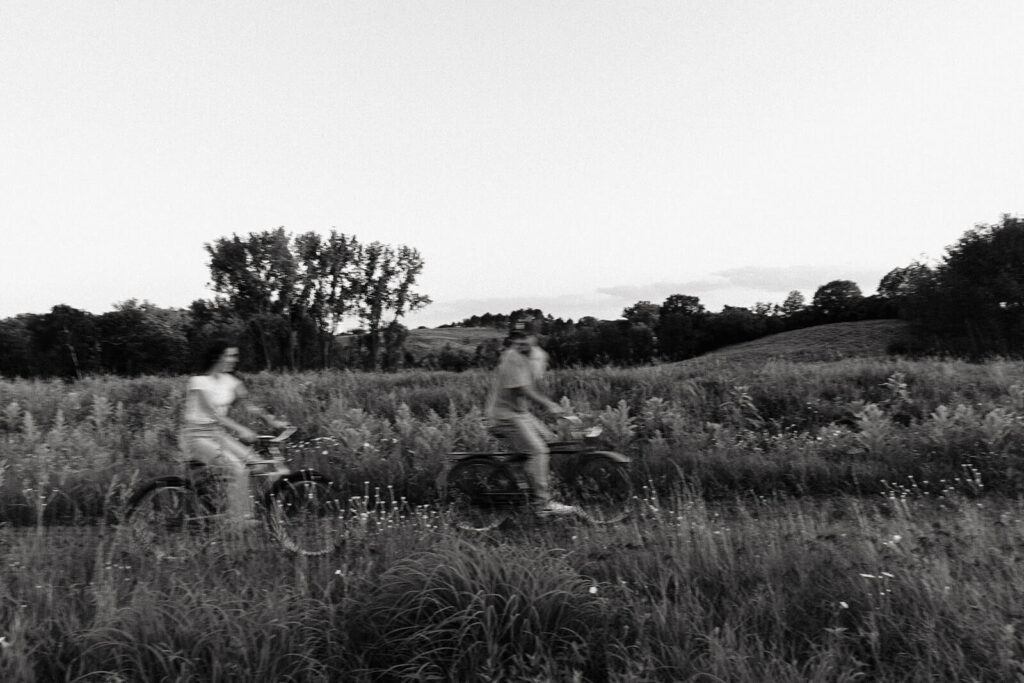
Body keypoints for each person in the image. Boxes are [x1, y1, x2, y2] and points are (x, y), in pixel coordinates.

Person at [180, 340, 289, 526]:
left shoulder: (232, 381)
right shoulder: (198, 382)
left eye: (234, 356)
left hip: (217, 434)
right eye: (230, 356)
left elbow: (250, 406)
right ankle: (239, 521)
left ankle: (250, 506)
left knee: (259, 464)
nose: (234, 360)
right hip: (196, 436)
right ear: (218, 357)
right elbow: (213, 413)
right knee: (238, 468)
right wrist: (241, 429)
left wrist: (272, 421)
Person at [486, 331, 577, 516]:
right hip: (505, 416)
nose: (520, 345)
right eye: (516, 341)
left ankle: (527, 483)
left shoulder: (534, 356)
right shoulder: (512, 358)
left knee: (550, 440)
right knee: (538, 450)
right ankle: (542, 505)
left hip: (520, 413)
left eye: (524, 341)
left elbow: (535, 383)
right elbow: (524, 389)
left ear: (533, 339)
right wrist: (549, 404)